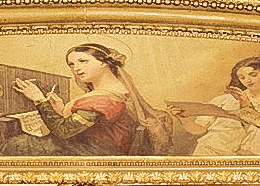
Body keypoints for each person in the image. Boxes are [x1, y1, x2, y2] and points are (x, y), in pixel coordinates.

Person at [11, 42, 159, 153]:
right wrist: (62, 109)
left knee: (18, 144)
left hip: (91, 154)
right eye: (71, 64)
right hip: (92, 148)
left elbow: (64, 131)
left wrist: (39, 99)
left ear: (103, 62)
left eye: (83, 61)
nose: (76, 69)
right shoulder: (113, 91)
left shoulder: (104, 100)